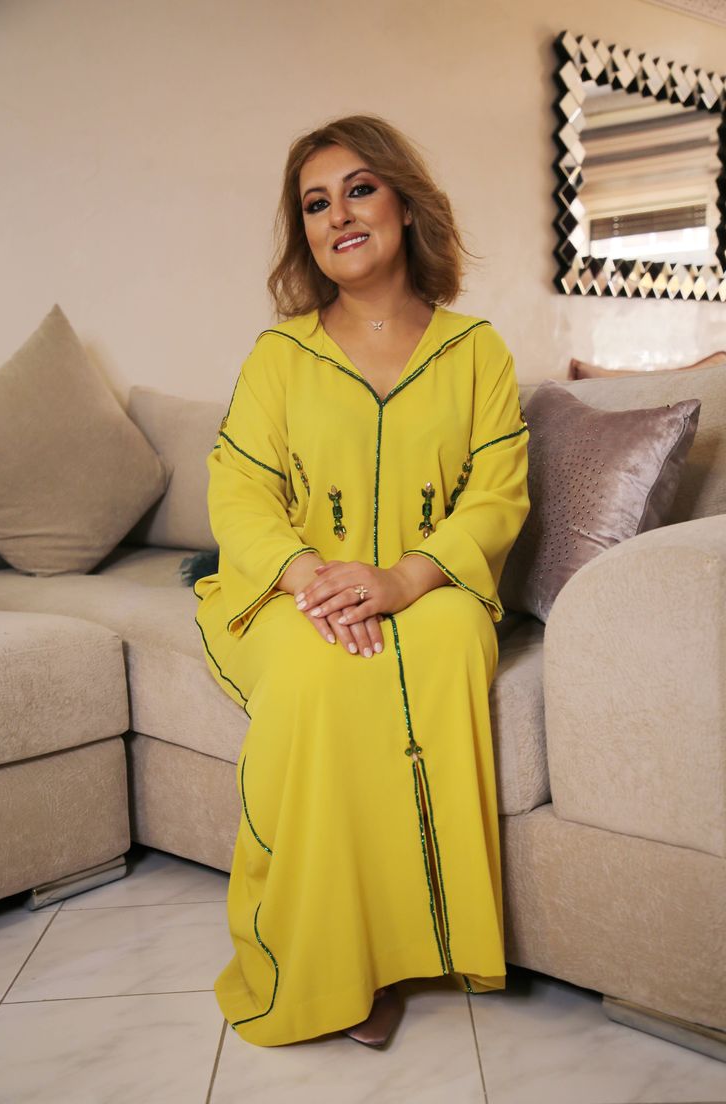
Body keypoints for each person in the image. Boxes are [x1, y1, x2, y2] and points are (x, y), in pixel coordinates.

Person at [192, 113, 530, 1049]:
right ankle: (330, 966)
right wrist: (311, 578)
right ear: (303, 234)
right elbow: (240, 491)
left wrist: (404, 578)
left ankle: (428, 941)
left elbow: (495, 498)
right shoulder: (279, 357)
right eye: (314, 202)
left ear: (404, 204)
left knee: (454, 640)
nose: (337, 213)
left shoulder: (477, 353)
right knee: (322, 673)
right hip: (289, 591)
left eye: (358, 188)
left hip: (424, 584)